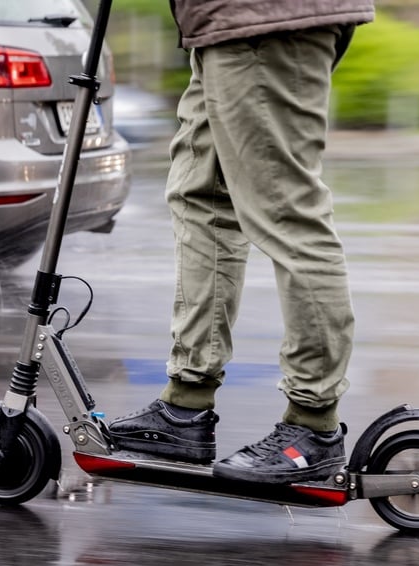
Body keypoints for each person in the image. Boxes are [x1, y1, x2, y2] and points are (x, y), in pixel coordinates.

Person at [108, 1, 374, 485]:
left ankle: (312, 425)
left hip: (264, 17)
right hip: (220, 21)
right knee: (200, 196)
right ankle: (185, 406)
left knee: (286, 211)